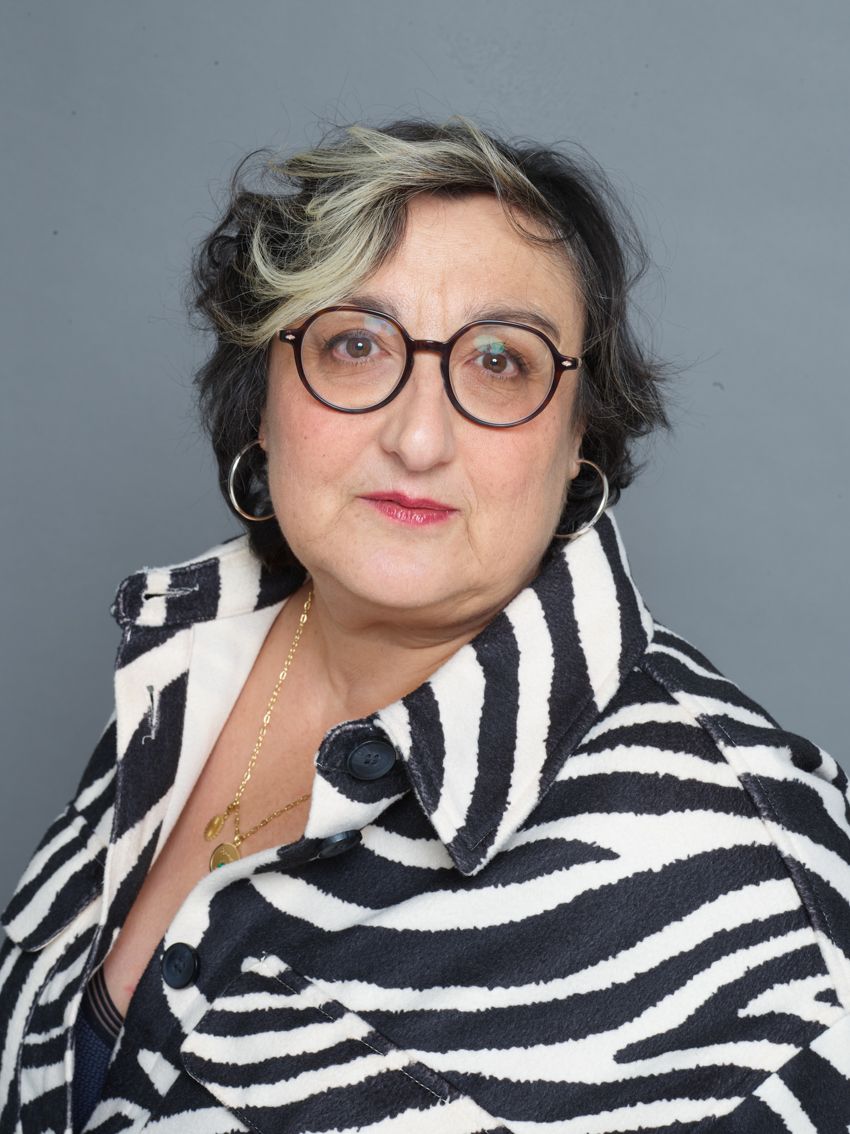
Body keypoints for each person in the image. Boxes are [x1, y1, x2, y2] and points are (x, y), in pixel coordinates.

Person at [1, 117, 848, 1134]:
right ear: (262, 399)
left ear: (579, 437)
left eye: (499, 361)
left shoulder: (755, 887)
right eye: (356, 345)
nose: (417, 436)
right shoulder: (184, 670)